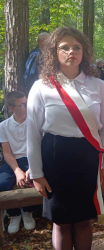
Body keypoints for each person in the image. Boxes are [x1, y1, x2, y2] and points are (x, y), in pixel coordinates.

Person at [27, 27, 104, 250]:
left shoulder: (99, 85)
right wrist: (36, 173)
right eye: (64, 48)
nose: (71, 52)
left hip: (88, 156)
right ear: (54, 52)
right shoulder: (40, 87)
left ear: (84, 52)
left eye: (76, 47)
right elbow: (33, 133)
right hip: (55, 156)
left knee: (84, 219)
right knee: (61, 221)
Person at [0, 91, 36, 234]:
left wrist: (32, 167)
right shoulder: (3, 126)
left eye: (27, 103)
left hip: (32, 158)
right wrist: (17, 171)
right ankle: (13, 214)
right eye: (22, 104)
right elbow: (7, 153)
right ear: (12, 108)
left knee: (34, 177)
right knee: (2, 183)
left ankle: (27, 211)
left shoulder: (35, 121)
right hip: (13, 161)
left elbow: (39, 147)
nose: (26, 106)